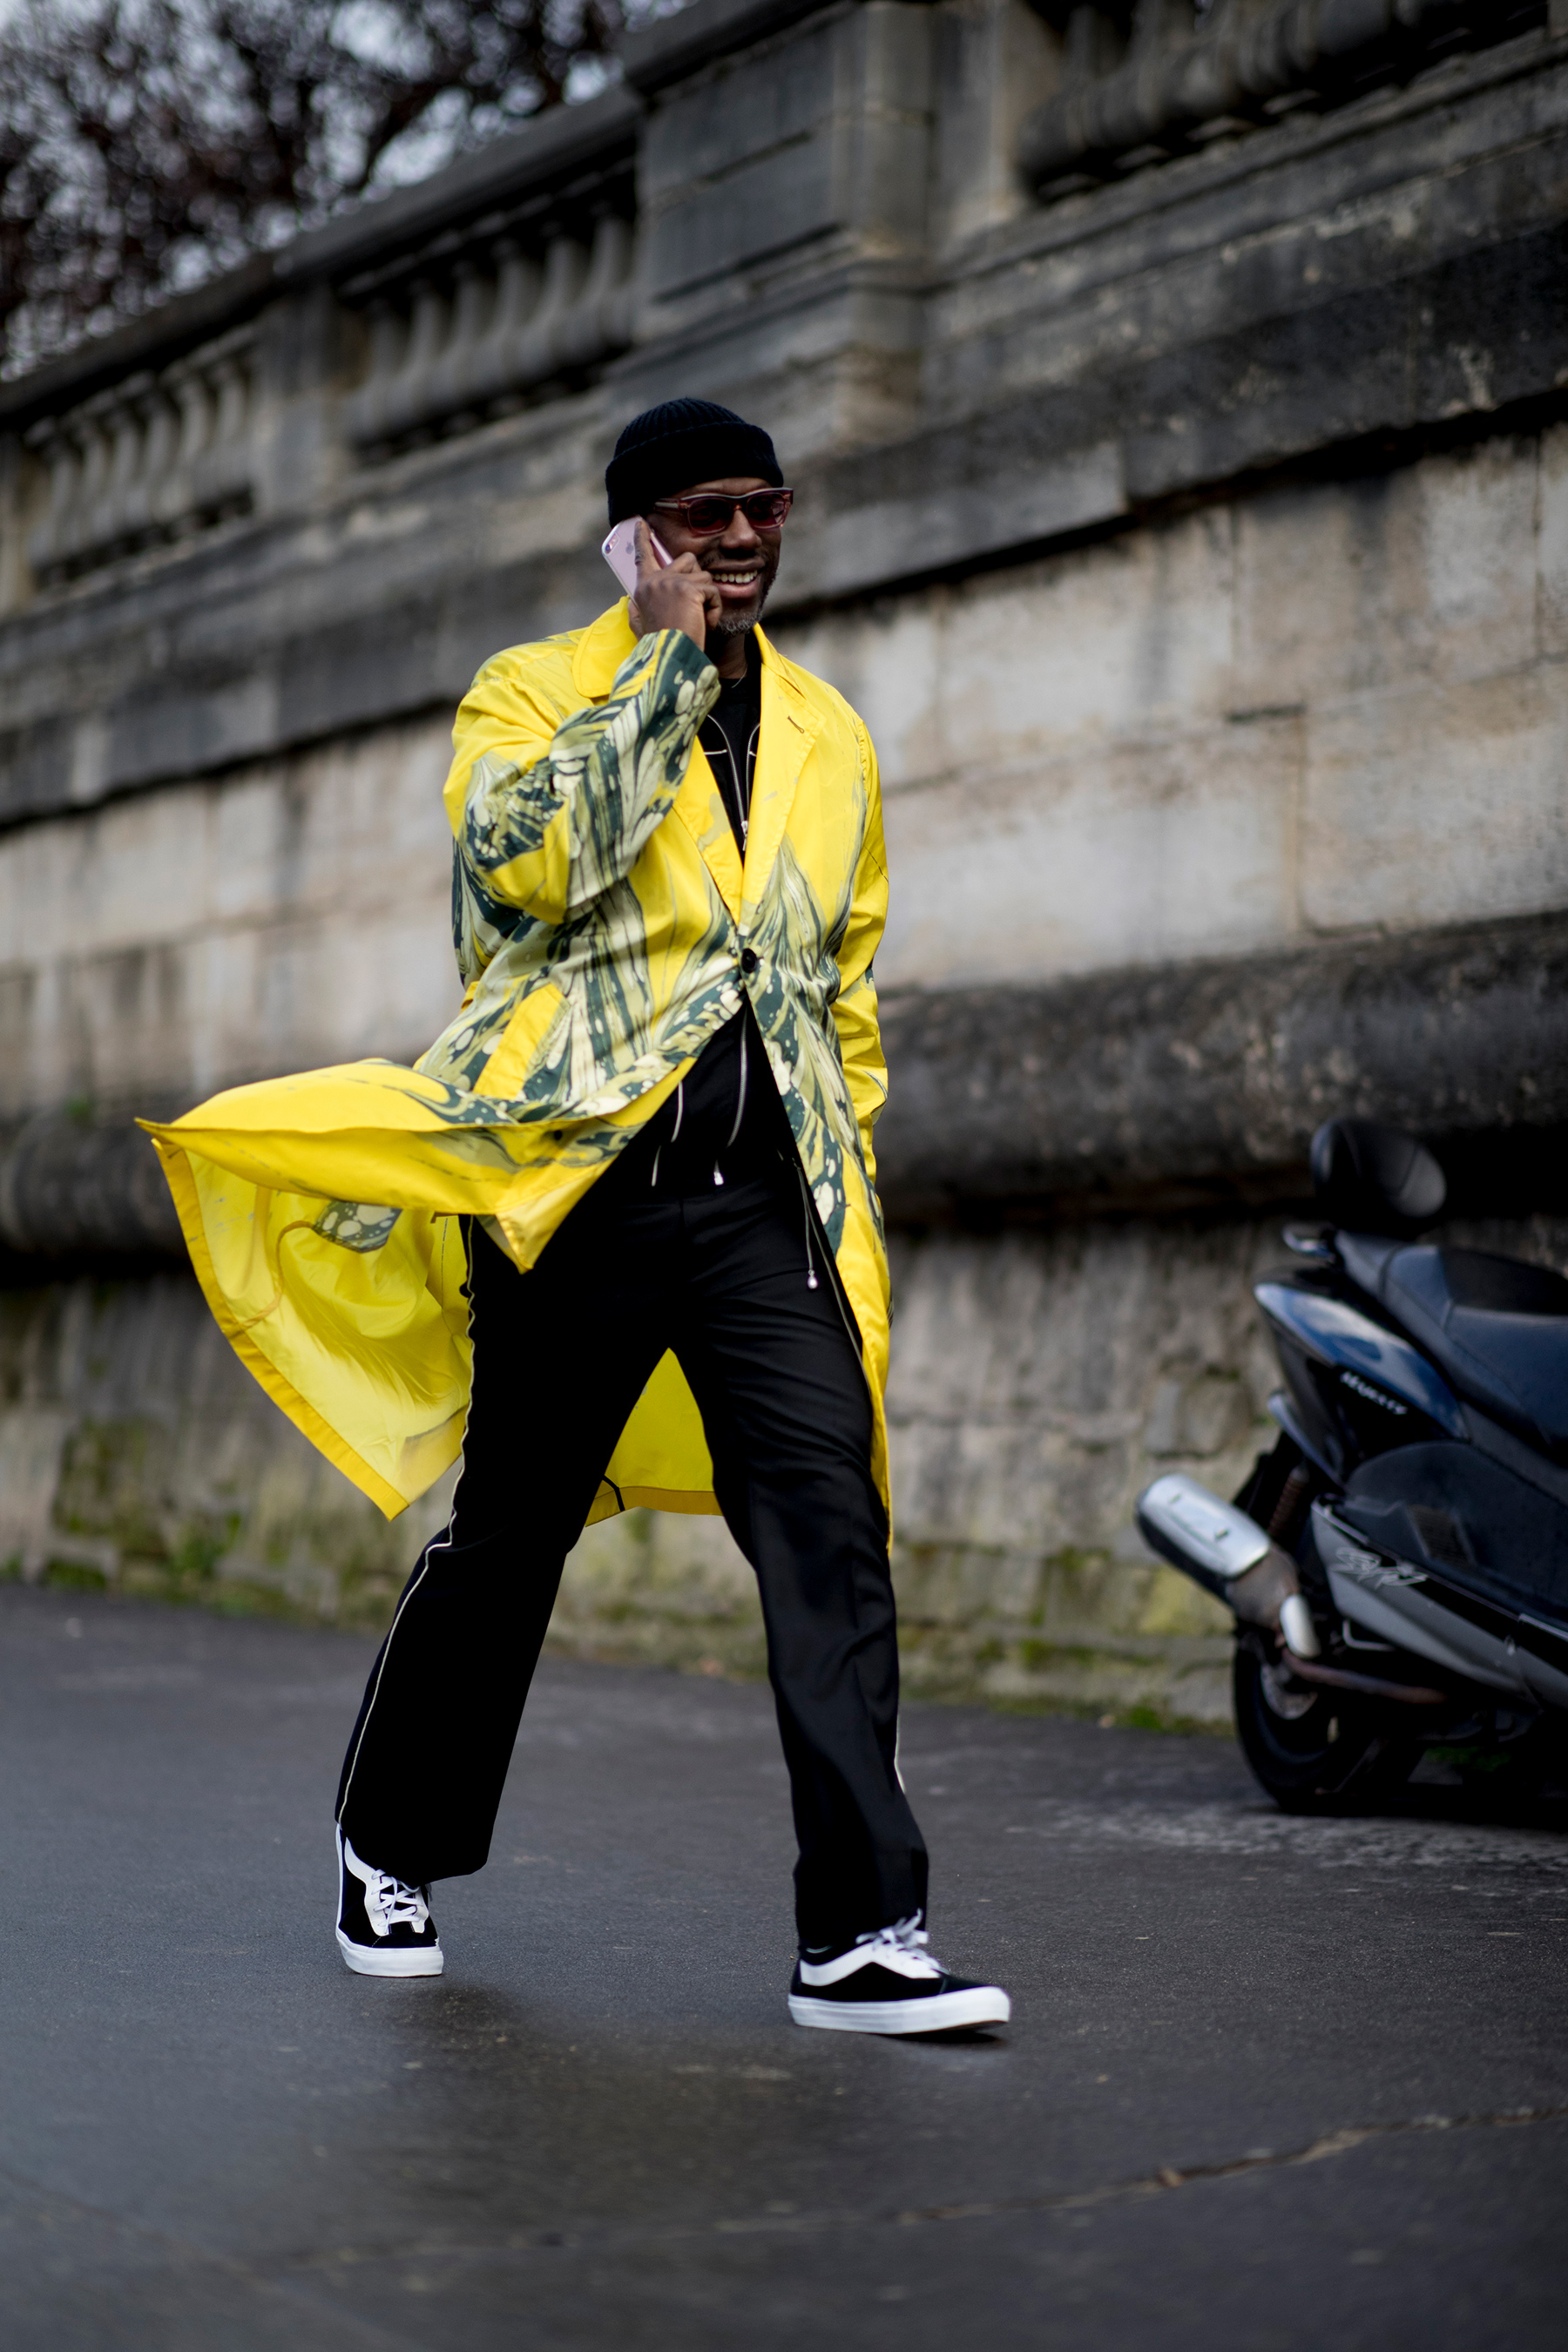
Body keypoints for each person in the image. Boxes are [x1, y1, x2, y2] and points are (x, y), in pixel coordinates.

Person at [144, 398, 1009, 2036]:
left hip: (769, 1212)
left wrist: (849, 1177)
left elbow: (841, 985)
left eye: (765, 507)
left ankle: (862, 1935)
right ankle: (384, 1844)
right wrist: (664, 669)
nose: (742, 538)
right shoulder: (532, 692)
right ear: (634, 540)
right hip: (578, 1202)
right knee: (510, 1546)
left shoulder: (831, 732)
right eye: (701, 516)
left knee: (831, 1535)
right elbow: (531, 868)